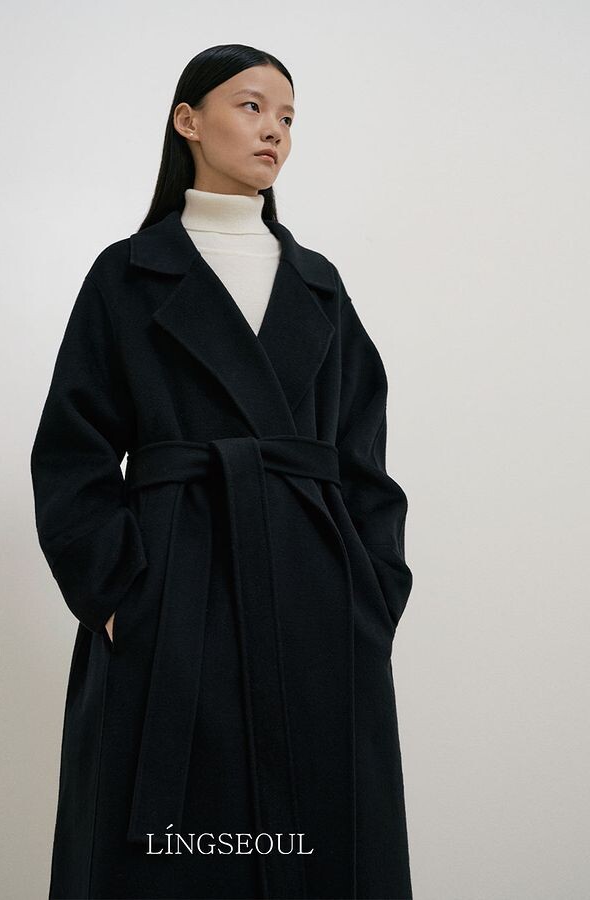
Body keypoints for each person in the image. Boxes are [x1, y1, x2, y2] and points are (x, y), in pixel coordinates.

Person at [31, 43, 414, 900]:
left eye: (288, 117)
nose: (274, 129)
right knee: (166, 859)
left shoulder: (320, 285)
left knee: (321, 852)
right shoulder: (128, 274)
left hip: (316, 602)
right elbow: (71, 450)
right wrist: (118, 594)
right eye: (251, 106)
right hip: (171, 591)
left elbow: (365, 460)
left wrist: (369, 594)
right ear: (188, 121)